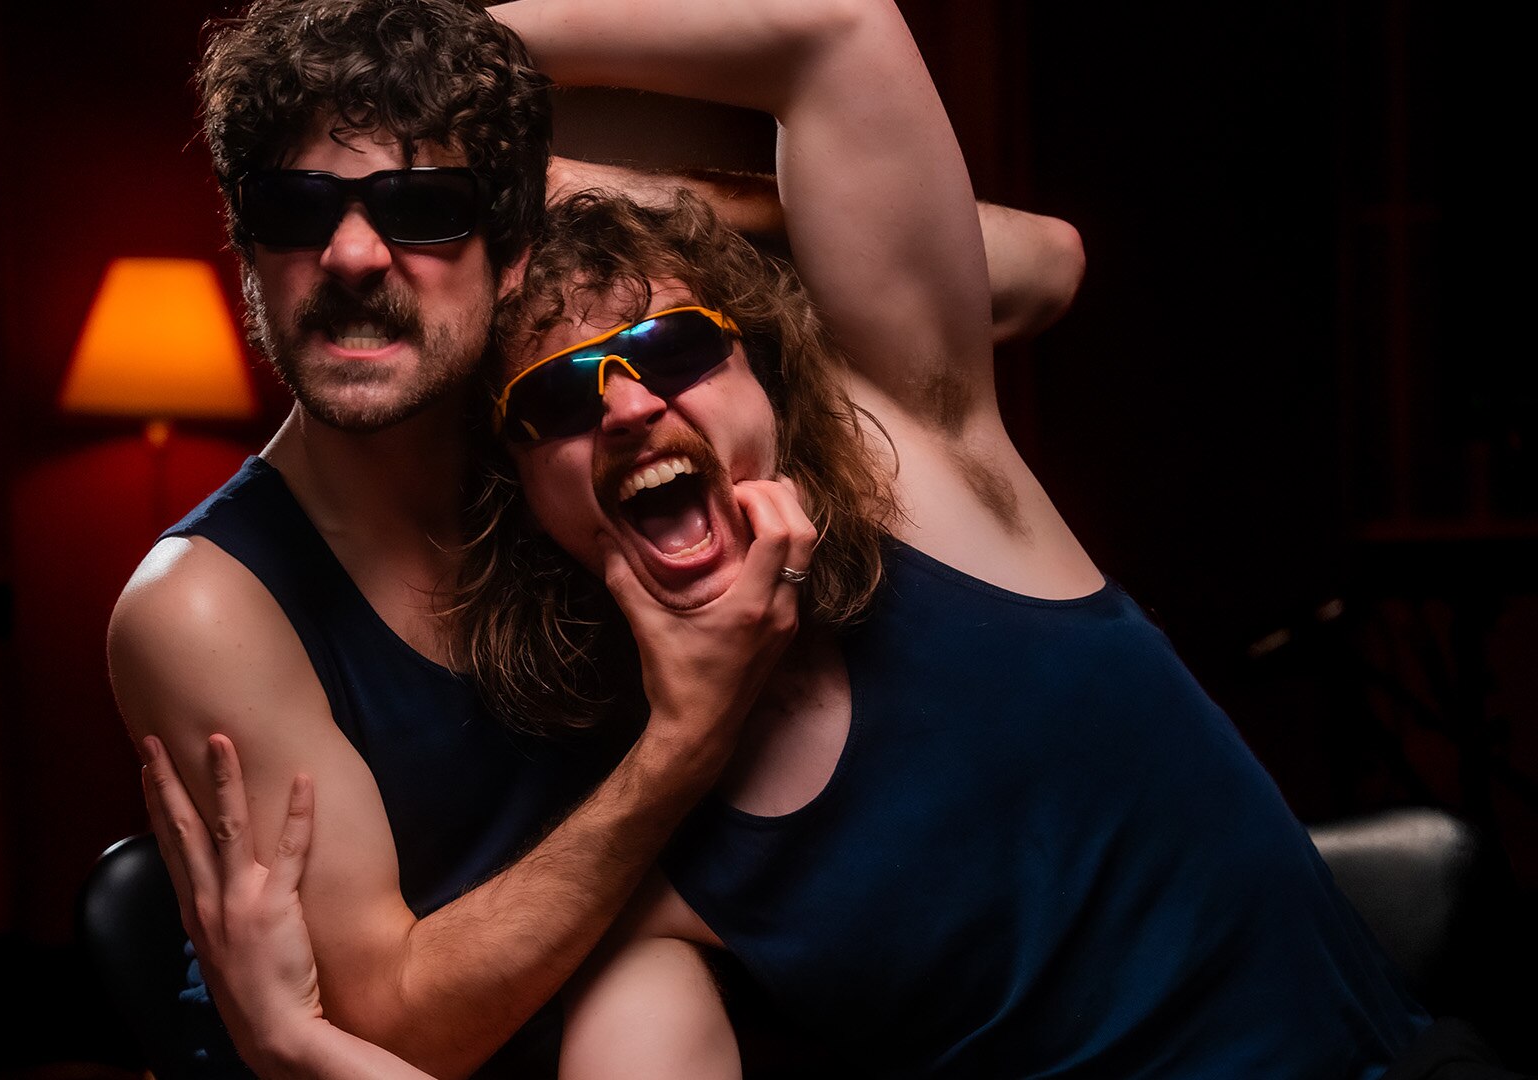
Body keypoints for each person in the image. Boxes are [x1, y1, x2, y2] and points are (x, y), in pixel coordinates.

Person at [109, 1, 1085, 1077]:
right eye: (294, 208)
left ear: (510, 249)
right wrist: (684, 741)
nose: (349, 253)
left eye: (424, 207)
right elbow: (385, 1028)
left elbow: (1035, 266)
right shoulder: (204, 604)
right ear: (246, 245)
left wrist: (592, 185)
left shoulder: (583, 424)